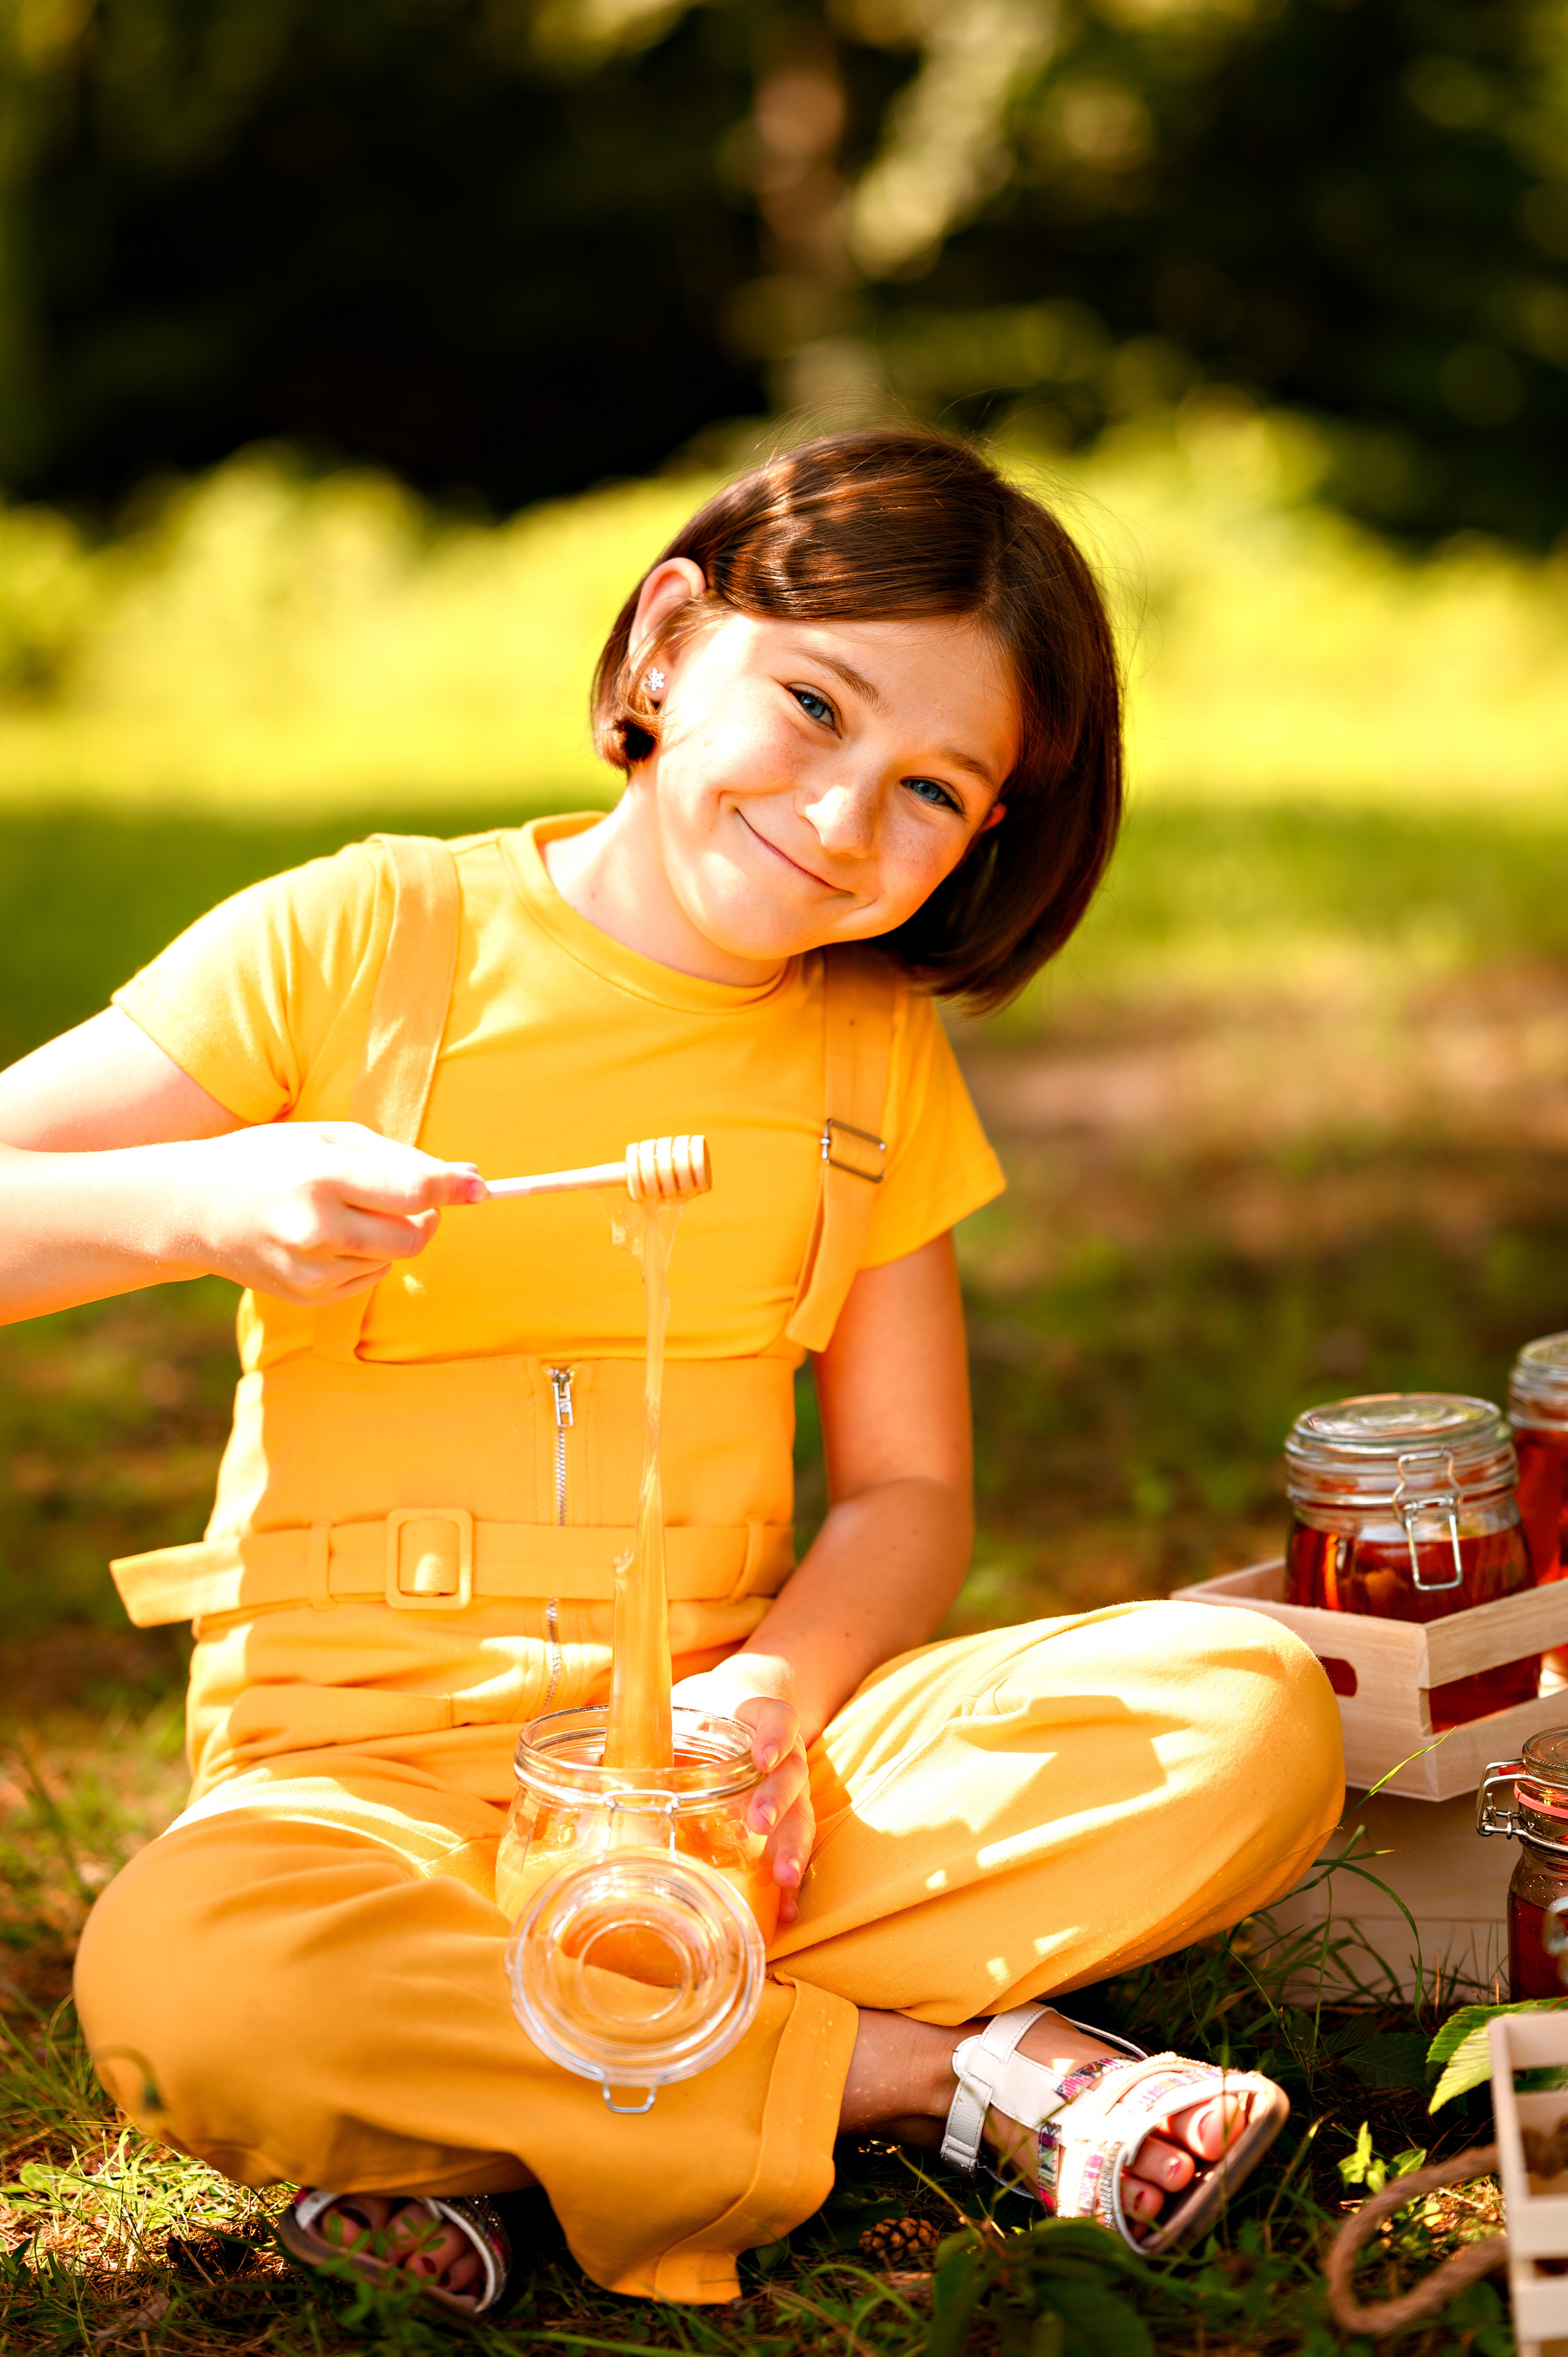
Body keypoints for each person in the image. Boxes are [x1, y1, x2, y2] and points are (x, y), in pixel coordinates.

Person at [0, 430, 1342, 2317]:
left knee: (1247, 1714)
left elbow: (905, 1494)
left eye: (934, 791)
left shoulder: (871, 1062)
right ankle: (939, 2078)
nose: (844, 815)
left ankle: (526, 2114)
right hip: (360, 1806)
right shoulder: (369, 939)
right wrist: (205, 1197)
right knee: (186, 1984)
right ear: (667, 644)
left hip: (726, 1815)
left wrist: (773, 1711)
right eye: (812, 705)